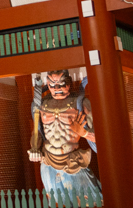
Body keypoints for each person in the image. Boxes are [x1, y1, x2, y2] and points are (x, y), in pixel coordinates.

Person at [29, 70, 102, 198]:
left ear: (69, 83)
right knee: (58, 199)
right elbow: (37, 133)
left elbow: (101, 138)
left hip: (72, 161)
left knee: (88, 198)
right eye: (52, 85)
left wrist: (83, 133)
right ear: (47, 84)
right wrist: (34, 148)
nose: (56, 88)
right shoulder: (42, 105)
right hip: (47, 161)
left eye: (61, 84)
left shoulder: (80, 103)